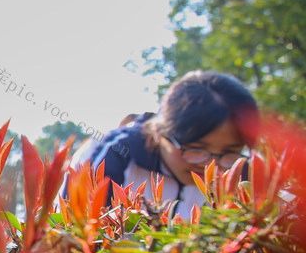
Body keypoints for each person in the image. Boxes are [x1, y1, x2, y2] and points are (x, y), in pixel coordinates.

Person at [65, 70, 259, 217]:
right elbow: (74, 232)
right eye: (196, 149)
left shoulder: (241, 176)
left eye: (230, 152)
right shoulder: (114, 154)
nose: (210, 165)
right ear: (159, 131)